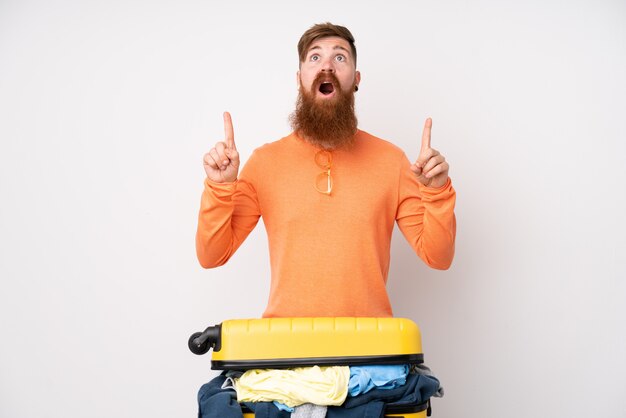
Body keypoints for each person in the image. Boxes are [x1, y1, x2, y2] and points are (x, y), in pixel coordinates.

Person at [196, 22, 456, 319]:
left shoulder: (392, 160)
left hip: (368, 350)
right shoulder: (265, 163)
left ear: (356, 79)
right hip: (289, 350)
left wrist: (436, 191)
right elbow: (211, 256)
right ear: (300, 78)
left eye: (340, 57)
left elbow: (439, 257)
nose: (327, 66)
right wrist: (219, 188)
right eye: (315, 57)